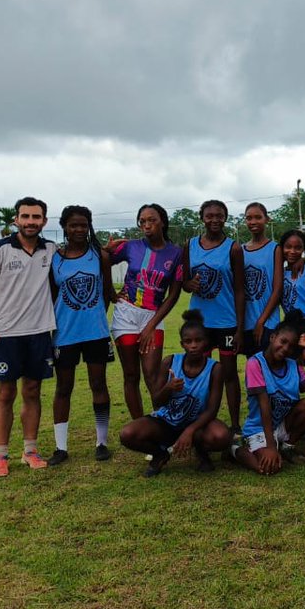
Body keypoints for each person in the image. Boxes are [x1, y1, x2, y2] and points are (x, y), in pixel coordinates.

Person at [0, 196, 56, 477]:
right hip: (6, 334)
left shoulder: (51, 250)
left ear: (44, 221)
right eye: (26, 217)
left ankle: (30, 451)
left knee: (33, 391)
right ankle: (1, 456)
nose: (30, 222)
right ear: (16, 219)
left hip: (39, 332)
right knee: (5, 393)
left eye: (36, 217)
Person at [117, 309, 233, 477]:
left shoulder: (215, 369)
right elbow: (157, 402)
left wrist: (189, 431)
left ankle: (201, 451)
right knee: (127, 434)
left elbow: (212, 410)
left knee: (222, 436)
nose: (193, 346)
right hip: (167, 422)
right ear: (182, 344)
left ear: (206, 342)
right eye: (188, 341)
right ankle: (160, 454)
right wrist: (168, 388)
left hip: (197, 424)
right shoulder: (170, 362)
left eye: (198, 341)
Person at [106, 204, 184, 439]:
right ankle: (141, 427)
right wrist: (111, 292)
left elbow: (174, 294)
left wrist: (151, 325)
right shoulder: (131, 247)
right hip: (126, 316)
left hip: (153, 316)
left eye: (151, 220)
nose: (146, 225)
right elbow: (100, 261)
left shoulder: (176, 253)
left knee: (153, 375)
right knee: (131, 375)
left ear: (163, 221)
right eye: (142, 221)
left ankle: (160, 422)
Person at [49, 205, 114, 465]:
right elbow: (52, 297)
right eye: (73, 225)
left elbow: (107, 293)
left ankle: (101, 442)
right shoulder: (55, 258)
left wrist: (94, 317)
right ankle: (61, 447)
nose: (79, 229)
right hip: (64, 334)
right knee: (63, 387)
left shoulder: (99, 256)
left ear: (89, 227)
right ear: (64, 226)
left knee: (98, 385)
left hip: (95, 333)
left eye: (83, 225)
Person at [184, 200, 246, 434]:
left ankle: (235, 425)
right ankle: (201, 422)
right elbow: (183, 282)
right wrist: (188, 284)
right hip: (199, 324)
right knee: (201, 374)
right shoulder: (190, 245)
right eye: (209, 216)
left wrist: (239, 328)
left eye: (219, 216)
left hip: (226, 322)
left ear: (225, 218)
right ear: (202, 218)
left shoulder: (233, 248)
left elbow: (240, 289)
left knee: (229, 374)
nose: (214, 220)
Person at [233, 321, 305, 475]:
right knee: (269, 468)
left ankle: (287, 446)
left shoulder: (294, 366)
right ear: (272, 337)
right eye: (283, 341)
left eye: (291, 346)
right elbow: (264, 406)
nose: (285, 348)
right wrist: (270, 447)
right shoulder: (255, 364)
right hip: (260, 428)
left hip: (281, 425)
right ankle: (236, 449)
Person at [240, 202, 283, 357]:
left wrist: (261, 322)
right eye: (249, 218)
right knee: (253, 368)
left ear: (266, 219)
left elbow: (277, 289)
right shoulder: (240, 250)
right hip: (246, 324)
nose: (253, 222)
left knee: (270, 365)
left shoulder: (275, 249)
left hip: (268, 323)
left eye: (258, 217)